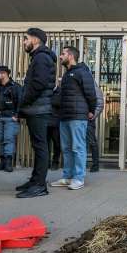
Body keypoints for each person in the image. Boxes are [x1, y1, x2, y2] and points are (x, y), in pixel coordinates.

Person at [50, 45, 96, 191]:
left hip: (77, 116)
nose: (60, 56)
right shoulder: (66, 74)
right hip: (64, 116)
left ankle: (78, 178)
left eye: (63, 54)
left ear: (70, 56)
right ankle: (67, 177)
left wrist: (91, 110)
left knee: (78, 147)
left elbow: (91, 93)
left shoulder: (82, 72)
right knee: (66, 148)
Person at [15, 28, 55, 198]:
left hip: (38, 109)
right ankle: (35, 180)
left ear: (36, 40)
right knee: (39, 146)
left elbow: (37, 84)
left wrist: (24, 101)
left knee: (40, 147)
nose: (24, 42)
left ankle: (39, 185)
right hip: (37, 108)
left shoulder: (41, 58)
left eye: (26, 39)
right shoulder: (39, 57)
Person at [0, 65, 22, 173]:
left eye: (0, 73)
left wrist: (17, 115)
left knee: (8, 139)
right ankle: (2, 162)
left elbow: (20, 101)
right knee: (0, 140)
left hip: (10, 117)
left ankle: (8, 162)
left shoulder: (15, 86)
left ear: (5, 74)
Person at [85, 80, 104, 173]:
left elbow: (100, 104)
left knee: (92, 141)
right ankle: (81, 164)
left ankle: (95, 164)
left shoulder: (94, 87)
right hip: (78, 118)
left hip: (88, 120)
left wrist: (93, 115)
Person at [47, 79, 62, 170]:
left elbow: (58, 103)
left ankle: (55, 162)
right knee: (45, 144)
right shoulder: (46, 92)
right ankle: (46, 162)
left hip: (56, 122)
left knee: (57, 143)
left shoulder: (60, 91)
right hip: (46, 122)